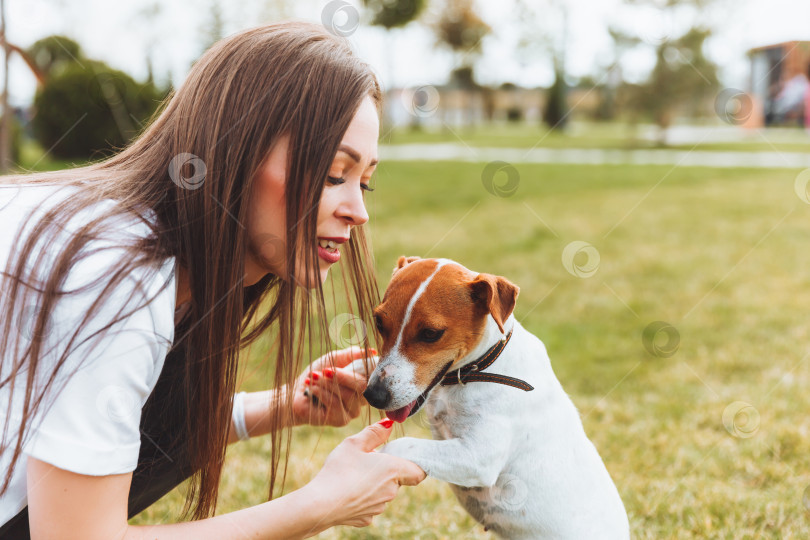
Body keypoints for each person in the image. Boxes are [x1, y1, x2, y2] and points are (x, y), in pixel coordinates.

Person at [0, 20, 425, 539]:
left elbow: (117, 419)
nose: (358, 211)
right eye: (334, 174)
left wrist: (281, 406)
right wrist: (321, 504)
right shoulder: (118, 277)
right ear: (237, 152)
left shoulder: (139, 247)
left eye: (366, 183)